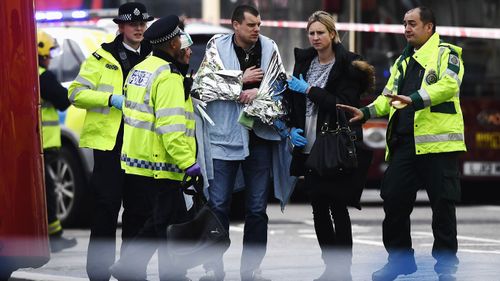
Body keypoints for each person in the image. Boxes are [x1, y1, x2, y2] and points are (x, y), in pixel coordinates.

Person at [337, 6, 465, 281]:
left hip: (439, 148)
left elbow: (449, 86)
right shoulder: (402, 62)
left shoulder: (447, 54)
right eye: (404, 24)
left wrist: (415, 99)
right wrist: (367, 112)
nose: (406, 29)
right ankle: (400, 260)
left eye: (412, 24)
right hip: (405, 146)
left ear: (429, 27)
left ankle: (446, 270)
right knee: (393, 199)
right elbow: (387, 97)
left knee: (443, 208)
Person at [199, 4, 292, 281]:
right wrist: (240, 84)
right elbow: (204, 84)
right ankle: (213, 268)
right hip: (224, 138)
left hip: (259, 137)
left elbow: (279, 86)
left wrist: (259, 97)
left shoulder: (269, 47)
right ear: (235, 25)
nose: (256, 30)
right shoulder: (217, 45)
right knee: (217, 205)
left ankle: (251, 270)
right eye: (251, 25)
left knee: (256, 208)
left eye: (259, 24)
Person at [285, 11, 374, 281]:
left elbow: (343, 105)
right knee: (318, 209)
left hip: (333, 145)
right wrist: (291, 128)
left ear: (332, 34)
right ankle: (330, 268)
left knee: (337, 207)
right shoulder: (305, 62)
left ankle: (342, 270)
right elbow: (293, 100)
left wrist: (310, 90)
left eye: (320, 33)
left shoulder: (348, 65)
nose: (315, 38)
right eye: (311, 33)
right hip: (308, 143)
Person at [109, 15, 199, 281]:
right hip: (161, 164)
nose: (189, 48)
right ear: (173, 44)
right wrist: (188, 163)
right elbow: (171, 129)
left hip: (137, 162)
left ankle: (139, 267)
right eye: (184, 42)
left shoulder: (142, 68)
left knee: (161, 222)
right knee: (169, 223)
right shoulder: (168, 77)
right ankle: (136, 267)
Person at [67, 2, 153, 280]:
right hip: (111, 144)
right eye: (133, 24)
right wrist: (110, 99)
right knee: (106, 209)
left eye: (142, 24)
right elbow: (76, 93)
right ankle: (99, 273)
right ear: (120, 27)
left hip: (142, 143)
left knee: (139, 210)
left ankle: (130, 270)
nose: (139, 28)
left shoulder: (154, 57)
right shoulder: (101, 57)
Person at [37, 29, 77, 253]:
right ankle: (54, 236)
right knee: (48, 191)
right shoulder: (43, 76)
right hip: (44, 144)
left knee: (47, 190)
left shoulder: (29, 73)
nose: (51, 56)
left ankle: (53, 234)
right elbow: (63, 101)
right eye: (49, 51)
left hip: (39, 143)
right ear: (40, 51)